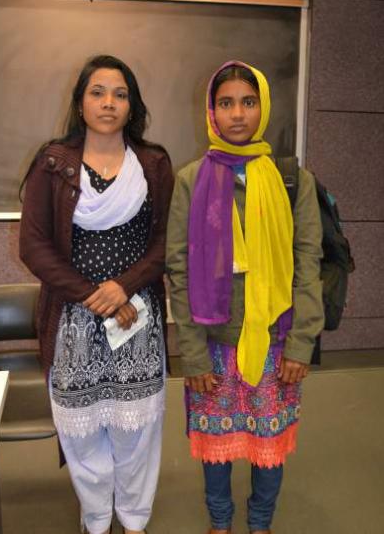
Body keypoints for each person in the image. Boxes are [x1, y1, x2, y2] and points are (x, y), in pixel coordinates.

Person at [166, 60, 324, 534]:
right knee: (217, 441)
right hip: (212, 339)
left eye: (248, 102)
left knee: (267, 441)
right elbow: (178, 269)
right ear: (211, 111)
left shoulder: (294, 180)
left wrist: (301, 344)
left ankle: (260, 524)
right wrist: (191, 355)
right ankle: (220, 522)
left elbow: (308, 263)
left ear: (263, 107)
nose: (238, 114)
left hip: (277, 336)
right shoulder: (190, 180)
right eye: (226, 103)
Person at [19, 54, 174, 534]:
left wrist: (122, 287)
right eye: (98, 92)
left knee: (137, 430)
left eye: (120, 93)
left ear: (132, 106)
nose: (109, 102)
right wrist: (93, 294)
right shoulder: (53, 163)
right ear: (80, 102)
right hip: (73, 322)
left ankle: (133, 519)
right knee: (82, 434)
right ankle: (94, 518)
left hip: (137, 318)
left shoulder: (152, 162)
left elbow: (167, 239)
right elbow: (34, 247)